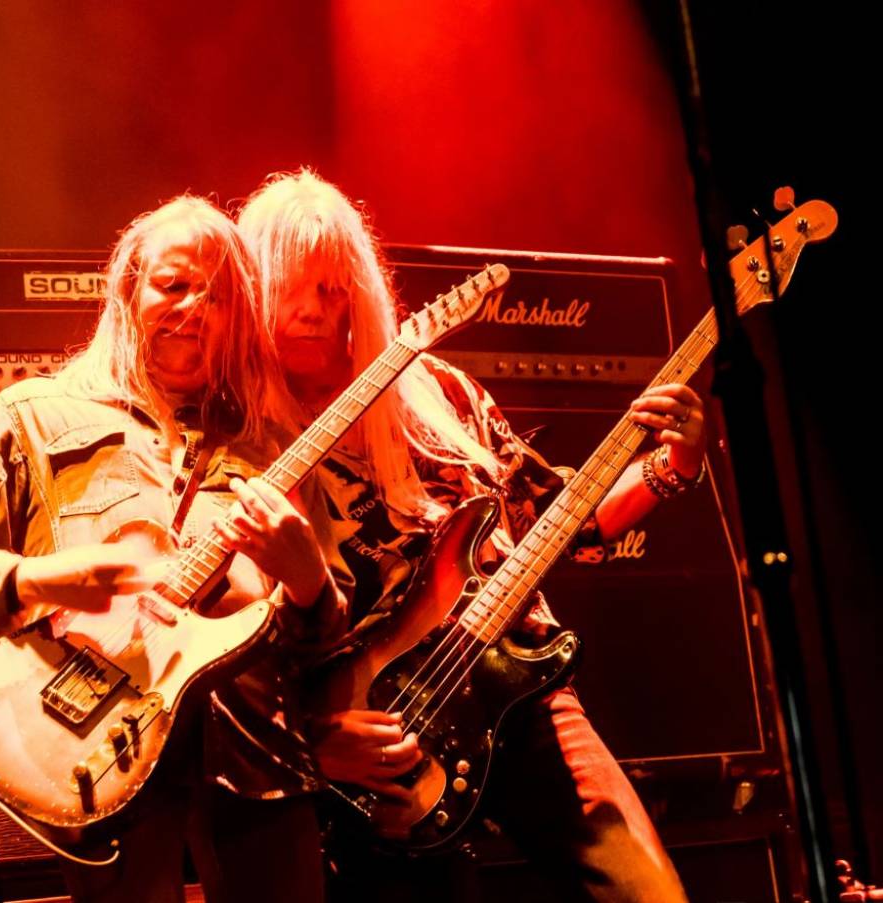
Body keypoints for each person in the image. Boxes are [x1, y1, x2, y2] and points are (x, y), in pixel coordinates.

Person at [237, 169, 706, 902]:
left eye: (330, 288)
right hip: (381, 737)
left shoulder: (441, 394)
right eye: (290, 286)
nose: (311, 310)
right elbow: (226, 641)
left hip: (519, 685)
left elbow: (565, 523)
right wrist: (312, 737)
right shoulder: (238, 436)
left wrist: (674, 464)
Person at [0, 195, 348, 903]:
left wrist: (310, 584)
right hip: (99, 749)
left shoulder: (274, 441)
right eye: (173, 285)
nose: (193, 308)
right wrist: (41, 579)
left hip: (255, 759)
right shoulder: (33, 413)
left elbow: (326, 641)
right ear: (128, 289)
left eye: (216, 297)